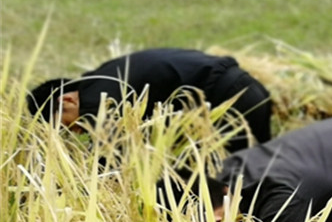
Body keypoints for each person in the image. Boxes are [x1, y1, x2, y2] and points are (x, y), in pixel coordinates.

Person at [28, 48, 272, 153]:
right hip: (247, 90)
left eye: (68, 124)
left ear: (67, 100)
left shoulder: (96, 99)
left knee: (240, 181)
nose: (79, 130)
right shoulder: (105, 77)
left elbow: (115, 157)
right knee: (259, 172)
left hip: (230, 100)